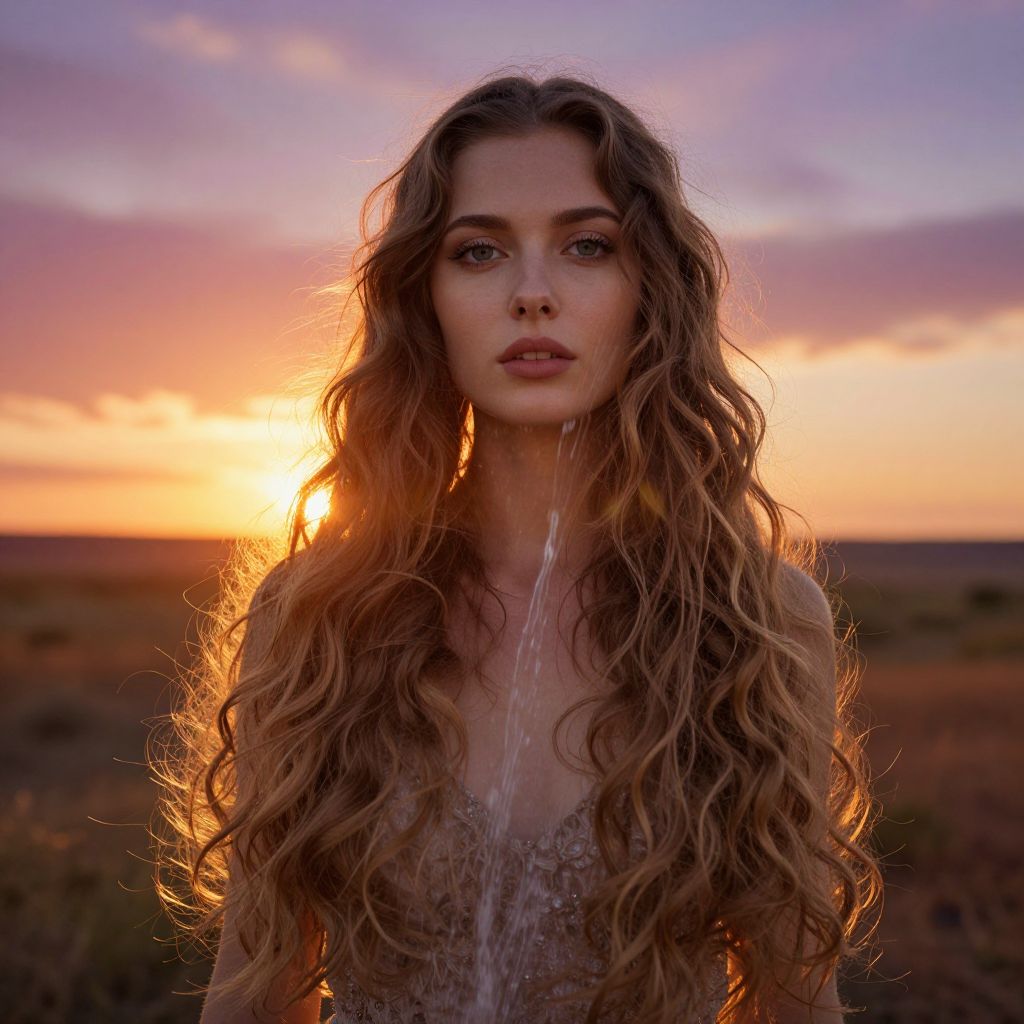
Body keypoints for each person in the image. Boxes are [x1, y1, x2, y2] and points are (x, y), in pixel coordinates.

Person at [152, 71, 882, 1023]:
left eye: (587, 246)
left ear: (647, 290)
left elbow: (794, 1002)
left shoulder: (762, 623)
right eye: (480, 250)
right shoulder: (317, 613)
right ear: (427, 295)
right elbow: (255, 995)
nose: (533, 295)